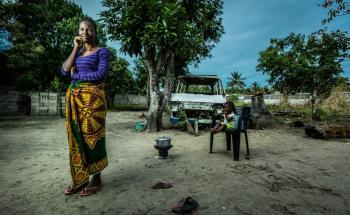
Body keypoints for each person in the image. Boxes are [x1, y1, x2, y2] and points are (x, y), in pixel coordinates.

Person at [60, 16, 110, 197]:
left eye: (89, 29)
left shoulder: (102, 52)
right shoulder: (78, 55)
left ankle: (96, 178)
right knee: (78, 137)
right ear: (78, 33)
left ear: (95, 32)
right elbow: (64, 70)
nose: (85, 33)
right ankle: (81, 178)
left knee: (93, 138)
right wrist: (75, 47)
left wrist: (76, 78)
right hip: (76, 101)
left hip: (94, 103)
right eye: (81, 29)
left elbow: (100, 74)